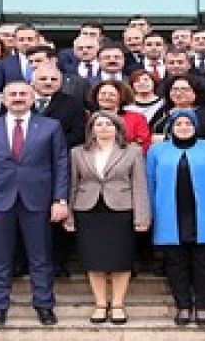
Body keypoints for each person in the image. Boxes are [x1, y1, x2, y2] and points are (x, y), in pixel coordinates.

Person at [0, 81, 70, 328]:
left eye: (23, 94)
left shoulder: (50, 126)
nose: (17, 98)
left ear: (32, 98)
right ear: (3, 100)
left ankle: (44, 305)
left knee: (40, 257)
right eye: (12, 94)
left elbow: (61, 164)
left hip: (38, 200)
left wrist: (60, 199)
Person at [146, 108, 205, 326]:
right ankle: (183, 305)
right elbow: (150, 183)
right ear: (171, 128)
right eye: (179, 124)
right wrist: (149, 212)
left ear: (195, 126)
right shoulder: (157, 151)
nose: (184, 127)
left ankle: (203, 306)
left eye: (188, 123)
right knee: (176, 264)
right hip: (170, 213)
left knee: (204, 263)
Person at [64, 111, 150, 324]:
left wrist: (142, 217)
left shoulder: (132, 151)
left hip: (121, 210)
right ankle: (100, 304)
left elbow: (139, 185)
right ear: (91, 129)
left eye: (109, 124)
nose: (103, 128)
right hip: (88, 210)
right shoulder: (77, 152)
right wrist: (69, 215)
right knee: (94, 260)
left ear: (118, 128)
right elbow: (72, 185)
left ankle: (118, 304)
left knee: (121, 259)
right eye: (99, 124)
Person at [91, 81, 152, 154]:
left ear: (121, 97)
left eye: (112, 94)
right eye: (103, 94)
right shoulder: (90, 118)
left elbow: (144, 145)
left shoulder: (137, 118)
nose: (106, 97)